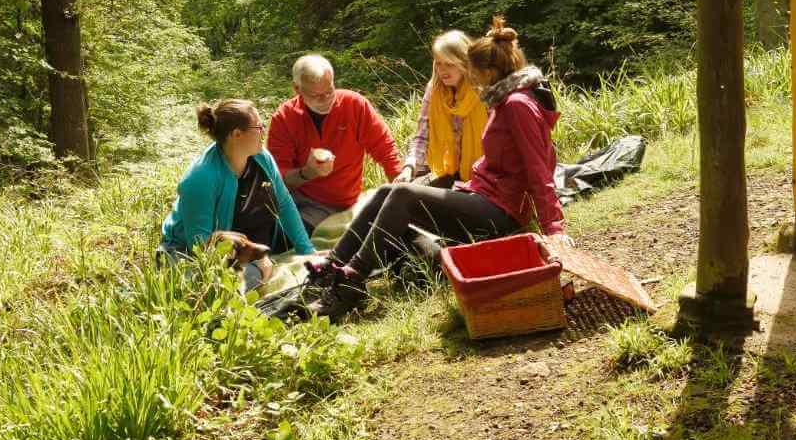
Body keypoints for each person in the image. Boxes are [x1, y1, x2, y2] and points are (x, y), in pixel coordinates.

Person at [302, 18, 566, 320]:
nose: (473, 80)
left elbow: (538, 168)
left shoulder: (517, 104)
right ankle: (332, 267)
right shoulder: (506, 99)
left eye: (475, 74)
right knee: (390, 190)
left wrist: (554, 229)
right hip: (482, 195)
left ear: (490, 72)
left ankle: (350, 283)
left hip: (500, 212)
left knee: (402, 196)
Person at [160, 99, 317, 291]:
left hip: (241, 242)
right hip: (185, 254)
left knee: (312, 228)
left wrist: (307, 252)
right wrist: (256, 263)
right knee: (227, 284)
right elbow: (200, 247)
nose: (263, 132)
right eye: (258, 127)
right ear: (237, 134)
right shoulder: (200, 179)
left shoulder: (262, 158)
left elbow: (283, 203)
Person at [267, 54, 402, 233]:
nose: (325, 100)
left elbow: (385, 148)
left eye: (329, 91)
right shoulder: (284, 117)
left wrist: (401, 186)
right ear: (297, 89)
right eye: (316, 95)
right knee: (276, 235)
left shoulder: (354, 105)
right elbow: (277, 179)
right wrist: (307, 173)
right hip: (301, 200)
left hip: (344, 202)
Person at [398, 29, 488, 188]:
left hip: (482, 178)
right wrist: (409, 168)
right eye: (438, 63)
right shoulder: (434, 91)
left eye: (449, 64)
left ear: (464, 63)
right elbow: (421, 137)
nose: (442, 70)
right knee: (396, 192)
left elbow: (498, 144)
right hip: (446, 171)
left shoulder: (485, 91)